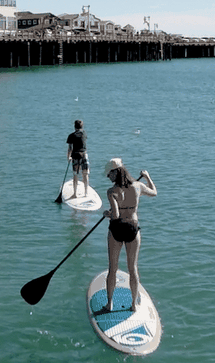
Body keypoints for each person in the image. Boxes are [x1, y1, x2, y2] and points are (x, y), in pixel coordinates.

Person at [101, 158, 157, 313]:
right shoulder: (138, 186)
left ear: (115, 173)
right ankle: (134, 304)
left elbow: (116, 215)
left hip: (116, 230)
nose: (108, 177)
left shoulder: (112, 191)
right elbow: (154, 192)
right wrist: (147, 177)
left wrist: (108, 213)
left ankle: (109, 304)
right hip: (132, 228)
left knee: (113, 268)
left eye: (109, 174)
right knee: (133, 268)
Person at [65, 120, 89, 199]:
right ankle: (86, 193)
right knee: (85, 174)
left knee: (75, 175)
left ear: (74, 126)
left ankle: (75, 194)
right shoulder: (84, 134)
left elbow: (70, 149)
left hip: (75, 156)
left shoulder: (71, 136)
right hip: (84, 155)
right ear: (82, 126)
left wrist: (68, 157)